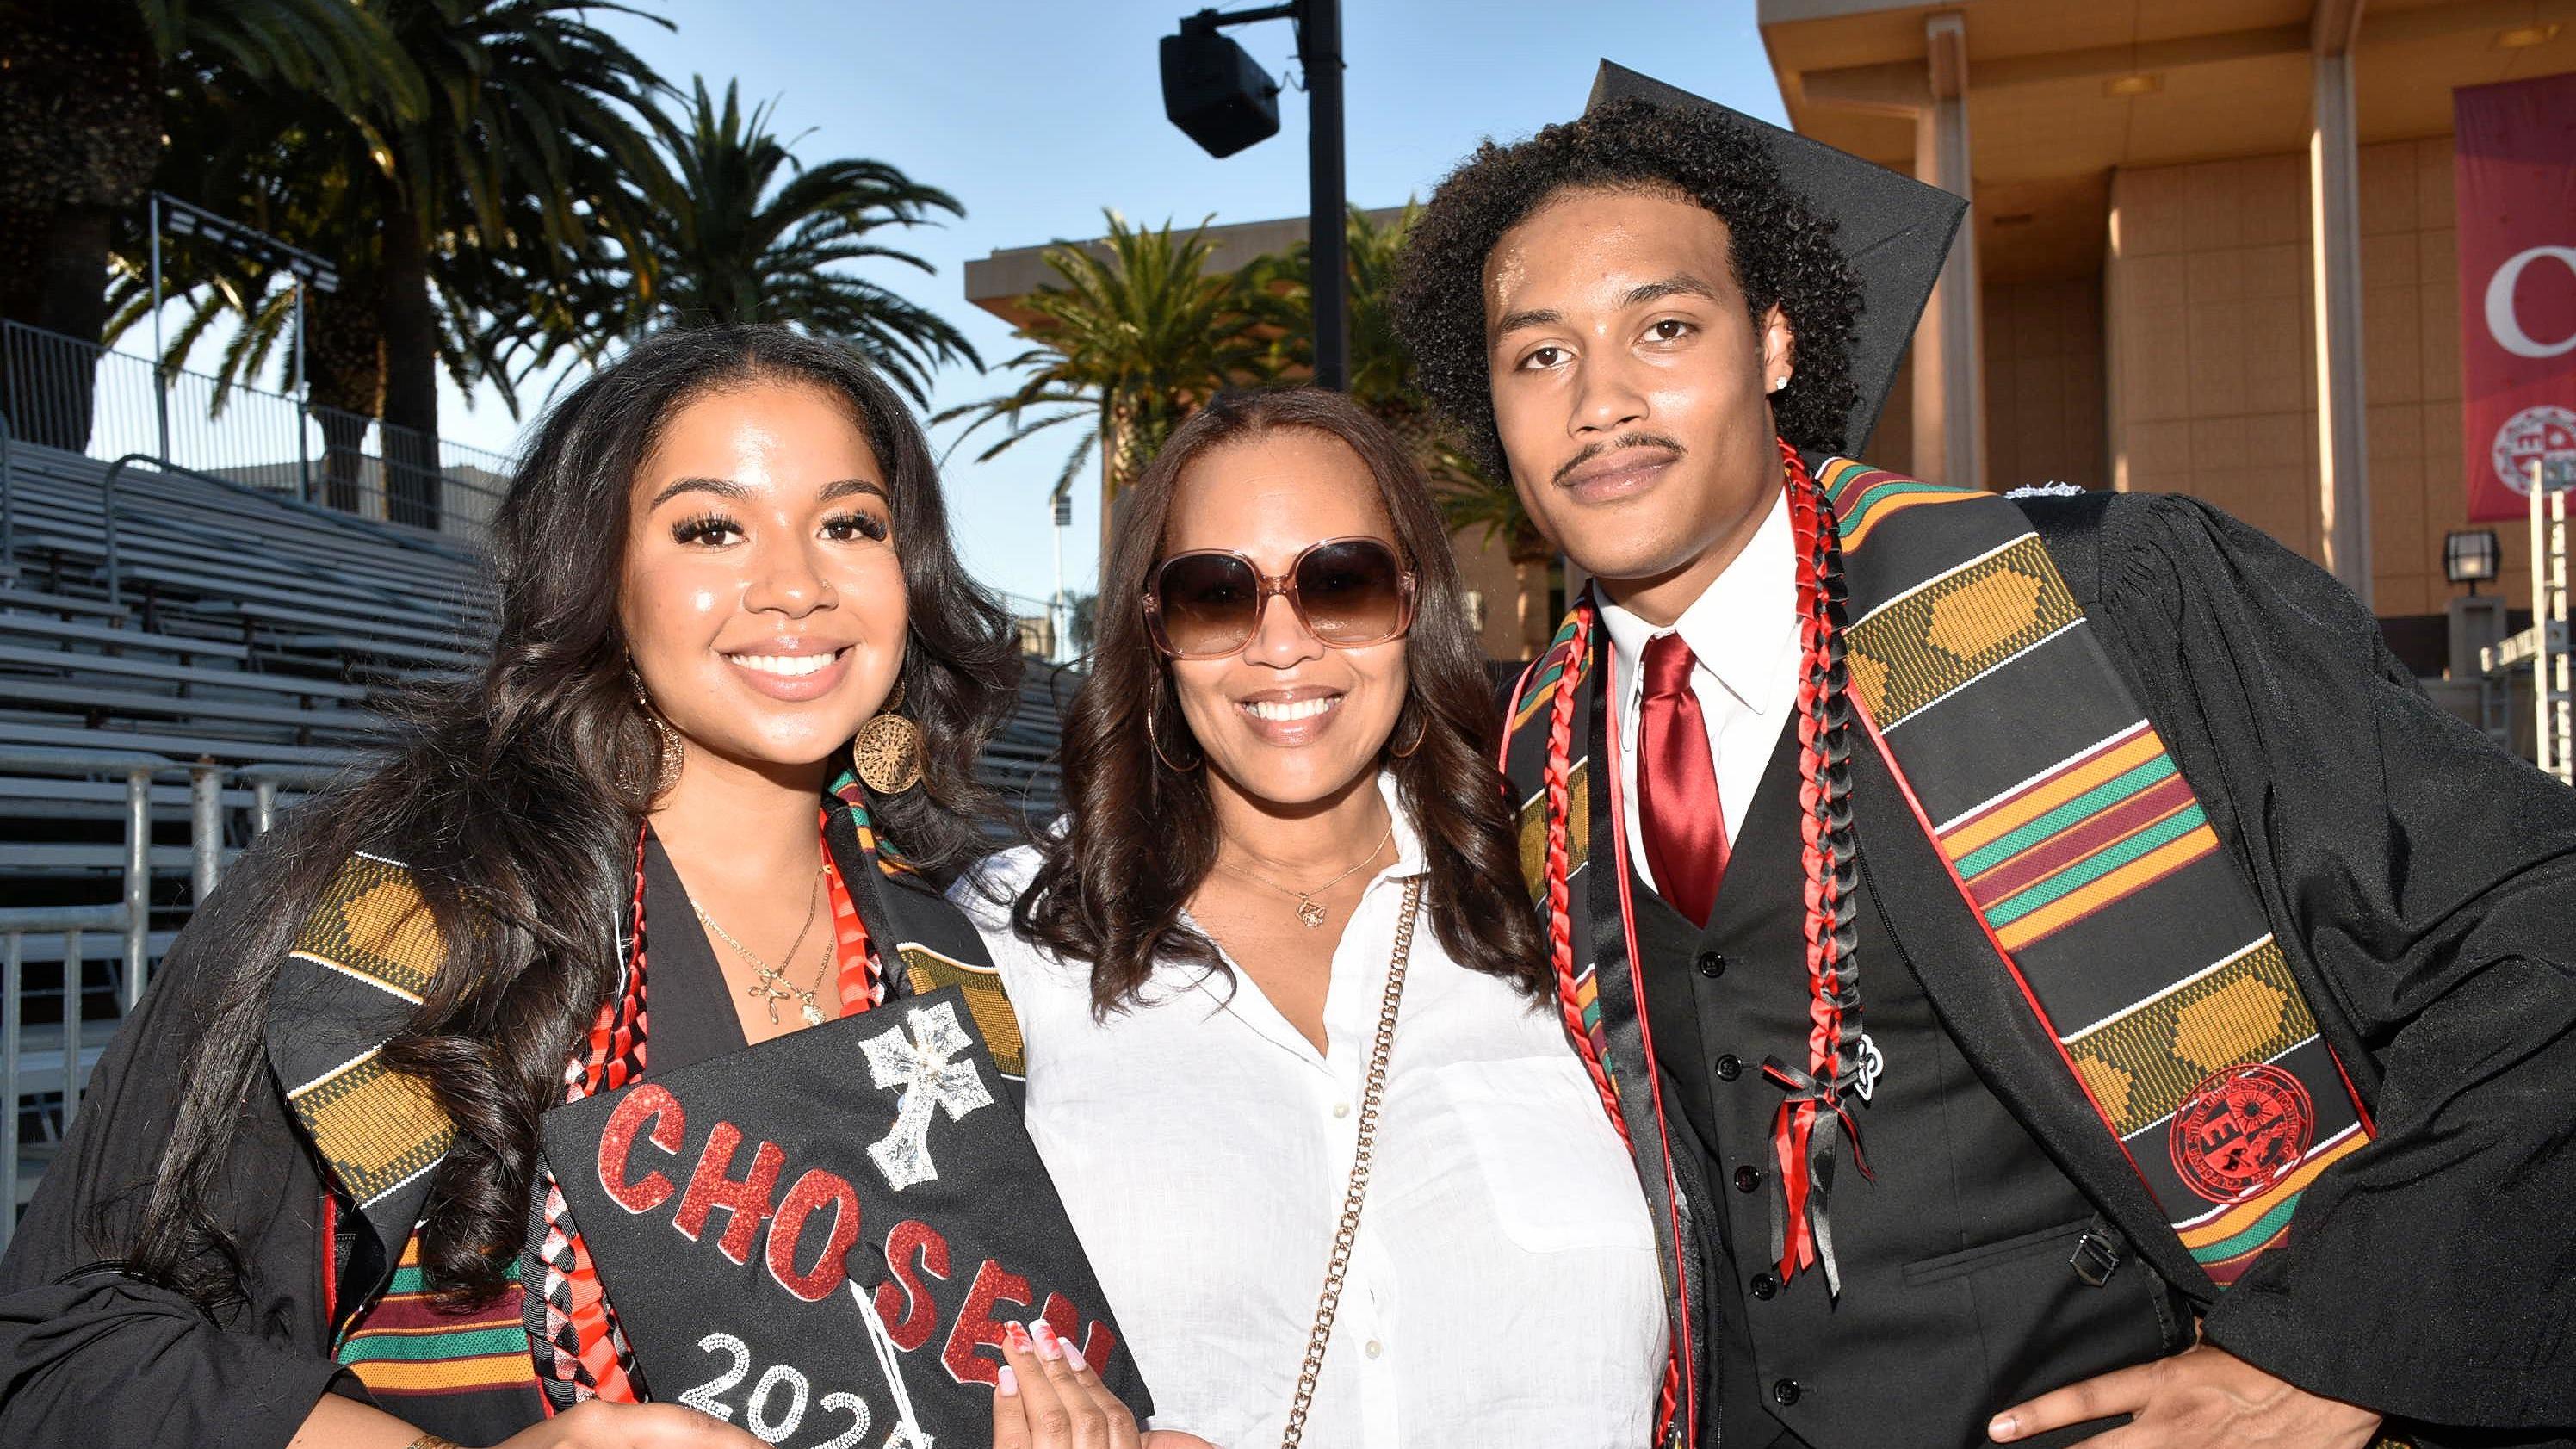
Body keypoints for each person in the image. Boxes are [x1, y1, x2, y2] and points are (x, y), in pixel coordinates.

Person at [1388, 68, 2576, 1449]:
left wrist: (2331, 1345)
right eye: (1540, 356)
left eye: (1664, 326)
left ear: (1772, 343)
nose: (1599, 401)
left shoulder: (2105, 599)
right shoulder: (1537, 756)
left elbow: (2538, 927)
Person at [0, 325, 1053, 1448]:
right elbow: (65, 1349)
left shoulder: (950, 956)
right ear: (600, 575)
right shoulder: (396, 917)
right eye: (710, 527)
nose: (796, 584)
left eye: (849, 524)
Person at [957, 387, 1669, 1449]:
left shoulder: (1570, 908)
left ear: (1412, 603)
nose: (1281, 645)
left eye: (1341, 582)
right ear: (1155, 633)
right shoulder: (1005, 945)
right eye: (1214, 595)